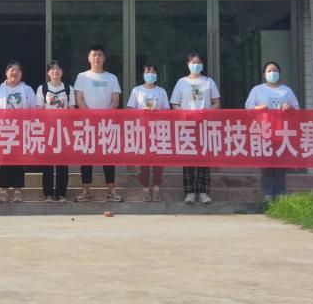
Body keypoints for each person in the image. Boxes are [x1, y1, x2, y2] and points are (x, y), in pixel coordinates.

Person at [245, 61, 300, 203]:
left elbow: (297, 109)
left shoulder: (286, 91)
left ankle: (280, 192)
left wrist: (289, 107)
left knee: (281, 163)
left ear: (279, 73)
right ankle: (268, 193)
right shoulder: (257, 90)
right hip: (264, 130)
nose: (272, 73)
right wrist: (259, 108)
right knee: (267, 163)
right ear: (264, 74)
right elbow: (248, 108)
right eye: (269, 71)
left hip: (282, 131)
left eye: (275, 70)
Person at [74, 44, 123, 202]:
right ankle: (85, 191)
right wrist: (90, 116)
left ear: (104, 58)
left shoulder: (112, 77)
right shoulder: (82, 77)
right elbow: (79, 99)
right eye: (94, 55)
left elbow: (115, 100)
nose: (97, 57)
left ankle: (111, 191)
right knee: (86, 158)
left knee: (108, 158)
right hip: (87, 124)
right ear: (89, 58)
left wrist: (104, 116)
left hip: (107, 124)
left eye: (100, 55)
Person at [171, 53, 220, 204]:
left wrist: (207, 112)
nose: (196, 65)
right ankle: (190, 192)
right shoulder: (181, 82)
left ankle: (204, 191)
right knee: (189, 157)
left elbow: (216, 103)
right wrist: (184, 113)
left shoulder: (208, 82)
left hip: (204, 124)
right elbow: (175, 103)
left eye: (199, 62)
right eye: (193, 62)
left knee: (204, 157)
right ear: (188, 64)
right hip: (187, 125)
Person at [0, 60, 37, 203]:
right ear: (6, 72)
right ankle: (3, 191)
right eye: (12, 70)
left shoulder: (27, 89)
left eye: (18, 70)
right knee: (3, 160)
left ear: (21, 74)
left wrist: (29, 124)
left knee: (18, 160)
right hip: (2, 129)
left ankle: (18, 191)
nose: (14, 73)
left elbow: (33, 109)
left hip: (20, 129)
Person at [127, 64, 170, 201]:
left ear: (156, 75)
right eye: (147, 72)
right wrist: (142, 112)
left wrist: (157, 112)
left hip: (158, 130)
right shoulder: (137, 90)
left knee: (158, 159)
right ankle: (145, 187)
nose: (150, 74)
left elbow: (167, 111)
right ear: (143, 74)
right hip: (142, 129)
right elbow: (130, 110)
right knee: (144, 160)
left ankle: (156, 187)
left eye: (152, 72)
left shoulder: (161, 91)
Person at [37, 61, 73, 202]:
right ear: (48, 72)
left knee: (62, 163)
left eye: (58, 68)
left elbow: (72, 110)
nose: (55, 71)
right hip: (48, 130)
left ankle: (61, 194)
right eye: (52, 69)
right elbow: (39, 110)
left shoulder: (68, 88)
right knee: (47, 163)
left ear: (62, 71)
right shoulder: (43, 88)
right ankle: (48, 194)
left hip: (63, 130)